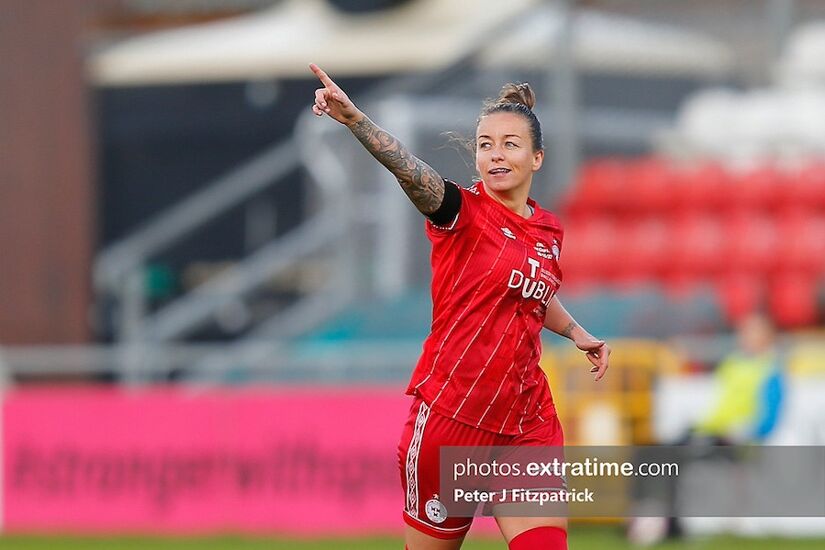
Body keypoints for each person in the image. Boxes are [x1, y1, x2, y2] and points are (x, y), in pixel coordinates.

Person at [310, 63, 610, 550]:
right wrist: (356, 121)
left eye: (510, 144)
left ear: (537, 158)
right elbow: (410, 170)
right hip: (454, 416)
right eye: (485, 144)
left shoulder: (549, 229)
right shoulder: (461, 214)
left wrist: (575, 330)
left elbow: (533, 292)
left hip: (524, 417)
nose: (495, 154)